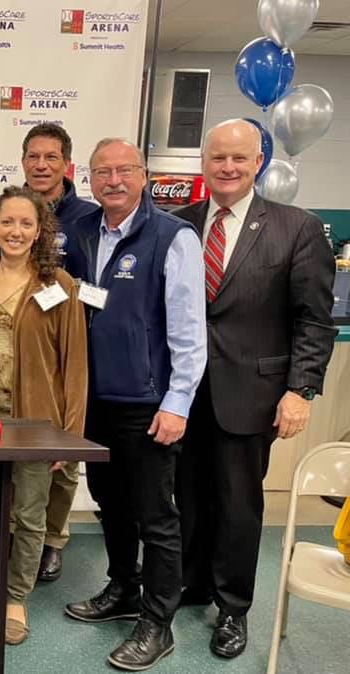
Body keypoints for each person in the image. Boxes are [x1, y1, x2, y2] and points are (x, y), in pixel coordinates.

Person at [174, 119, 336, 659]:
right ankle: (191, 585)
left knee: (238, 506)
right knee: (188, 498)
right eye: (218, 157)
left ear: (259, 163)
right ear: (204, 162)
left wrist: (301, 390)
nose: (227, 168)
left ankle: (232, 608)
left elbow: (314, 320)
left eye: (239, 159)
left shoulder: (297, 228)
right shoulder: (178, 225)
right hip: (183, 394)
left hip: (253, 393)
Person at [62, 138, 207, 671]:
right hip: (95, 401)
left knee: (156, 517)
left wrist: (178, 403)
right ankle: (123, 587)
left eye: (125, 170)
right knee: (110, 504)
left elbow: (190, 332)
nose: (114, 180)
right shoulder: (83, 233)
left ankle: (158, 622)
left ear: (144, 176)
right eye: (103, 172)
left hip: (148, 404)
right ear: (91, 179)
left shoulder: (173, 236)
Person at [0, 186, 87, 645]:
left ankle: (15, 596)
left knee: (29, 512)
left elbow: (75, 365)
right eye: (7, 222)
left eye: (25, 224)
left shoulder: (58, 285)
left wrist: (69, 436)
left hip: (36, 423)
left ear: (39, 232)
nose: (15, 231)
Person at [20, 122, 99, 582]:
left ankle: (54, 538)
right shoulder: (11, 207)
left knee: (62, 454)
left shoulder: (87, 217)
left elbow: (97, 286)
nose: (42, 164)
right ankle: (25, 531)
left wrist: (68, 301)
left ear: (66, 163)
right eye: (34, 156)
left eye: (51, 157)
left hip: (69, 340)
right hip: (24, 346)